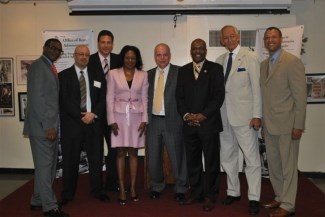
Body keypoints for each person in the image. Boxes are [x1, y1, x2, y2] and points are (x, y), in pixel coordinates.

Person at [260, 27, 307, 217]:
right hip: (269, 126)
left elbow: (300, 97)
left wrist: (299, 125)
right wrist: (263, 123)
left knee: (288, 167)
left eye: (274, 37)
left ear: (281, 39)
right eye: (267, 37)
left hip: (288, 125)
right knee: (274, 166)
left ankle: (288, 205)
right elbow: (265, 97)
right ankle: (279, 196)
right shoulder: (263, 65)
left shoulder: (292, 62)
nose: (270, 40)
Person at [216, 25, 262, 215]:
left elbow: (257, 88)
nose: (229, 39)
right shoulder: (220, 60)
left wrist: (257, 115)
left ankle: (254, 198)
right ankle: (233, 191)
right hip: (224, 117)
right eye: (225, 38)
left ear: (238, 37)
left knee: (251, 159)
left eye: (232, 36)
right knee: (227, 156)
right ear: (222, 41)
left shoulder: (249, 57)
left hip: (245, 118)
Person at [176, 38, 225, 212]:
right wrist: (188, 115)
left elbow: (219, 96)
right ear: (191, 50)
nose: (198, 50)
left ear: (205, 50)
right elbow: (179, 97)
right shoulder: (183, 71)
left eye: (201, 48)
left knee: (211, 162)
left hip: (209, 124)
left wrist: (203, 115)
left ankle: (211, 196)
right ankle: (196, 193)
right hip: (189, 125)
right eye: (195, 48)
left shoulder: (215, 69)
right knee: (193, 162)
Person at [23, 38, 69, 217]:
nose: (55, 51)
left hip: (48, 126)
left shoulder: (48, 66)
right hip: (43, 127)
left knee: (47, 167)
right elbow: (37, 99)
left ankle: (37, 200)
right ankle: (49, 207)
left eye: (58, 49)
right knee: (45, 167)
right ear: (44, 47)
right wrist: (48, 126)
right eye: (52, 47)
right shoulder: (37, 66)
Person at [59, 45, 109, 205]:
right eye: (80, 54)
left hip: (93, 123)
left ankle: (97, 190)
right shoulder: (63, 76)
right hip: (73, 125)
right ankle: (67, 194)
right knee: (70, 161)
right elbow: (64, 100)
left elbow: (103, 98)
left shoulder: (97, 75)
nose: (84, 57)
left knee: (96, 160)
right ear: (74, 55)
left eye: (87, 55)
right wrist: (81, 116)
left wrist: (92, 114)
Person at [106, 45, 148, 205]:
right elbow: (109, 98)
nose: (130, 60)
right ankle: (122, 188)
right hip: (119, 118)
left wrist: (145, 119)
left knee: (134, 152)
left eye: (133, 58)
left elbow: (145, 98)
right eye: (127, 57)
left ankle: (132, 188)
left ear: (136, 59)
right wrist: (111, 121)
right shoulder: (113, 74)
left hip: (137, 117)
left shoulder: (143, 75)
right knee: (120, 153)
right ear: (122, 58)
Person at [147, 43, 187, 202]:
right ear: (155, 56)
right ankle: (157, 185)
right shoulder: (148, 74)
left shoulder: (180, 72)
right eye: (158, 55)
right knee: (153, 158)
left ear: (169, 55)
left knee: (177, 157)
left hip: (173, 121)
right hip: (153, 121)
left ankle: (180, 188)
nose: (162, 58)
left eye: (165, 54)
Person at [88, 30, 120, 192]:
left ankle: (112, 183)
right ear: (98, 43)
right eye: (103, 42)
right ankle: (97, 186)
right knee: (96, 152)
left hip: (114, 114)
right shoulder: (89, 60)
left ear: (112, 44)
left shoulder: (119, 60)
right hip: (95, 114)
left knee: (114, 150)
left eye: (109, 42)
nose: (106, 45)